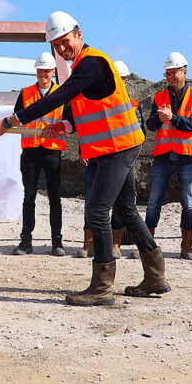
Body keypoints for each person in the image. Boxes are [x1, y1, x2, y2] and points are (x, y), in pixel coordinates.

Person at [0, 11, 170, 306]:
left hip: (118, 147)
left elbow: (56, 98)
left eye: (65, 41)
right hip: (118, 146)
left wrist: (10, 120)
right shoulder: (84, 68)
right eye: (56, 45)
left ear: (78, 34)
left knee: (98, 211)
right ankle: (155, 275)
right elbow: (88, 110)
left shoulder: (92, 63)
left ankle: (101, 288)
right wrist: (65, 125)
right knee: (125, 209)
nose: (61, 49)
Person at [78, 60, 144, 260]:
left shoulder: (132, 106)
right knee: (91, 203)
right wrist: (82, 149)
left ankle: (115, 244)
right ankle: (89, 244)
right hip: (95, 160)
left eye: (122, 79)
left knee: (120, 206)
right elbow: (85, 127)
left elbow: (138, 134)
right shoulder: (96, 102)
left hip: (118, 162)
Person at [12, 52, 73, 256]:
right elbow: (17, 117)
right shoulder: (26, 93)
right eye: (40, 70)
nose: (43, 74)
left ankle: (57, 243)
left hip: (52, 151)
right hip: (30, 151)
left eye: (47, 70)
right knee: (29, 196)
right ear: (36, 71)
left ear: (53, 71)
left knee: (54, 197)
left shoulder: (62, 94)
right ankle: (25, 242)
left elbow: (69, 122)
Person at [144, 52, 192, 260]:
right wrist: (159, 119)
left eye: (173, 73)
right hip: (163, 156)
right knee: (153, 202)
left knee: (188, 203)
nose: (170, 77)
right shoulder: (160, 97)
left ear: (184, 72)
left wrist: (174, 118)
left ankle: (186, 247)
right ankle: (146, 244)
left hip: (187, 157)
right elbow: (150, 125)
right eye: (167, 74)